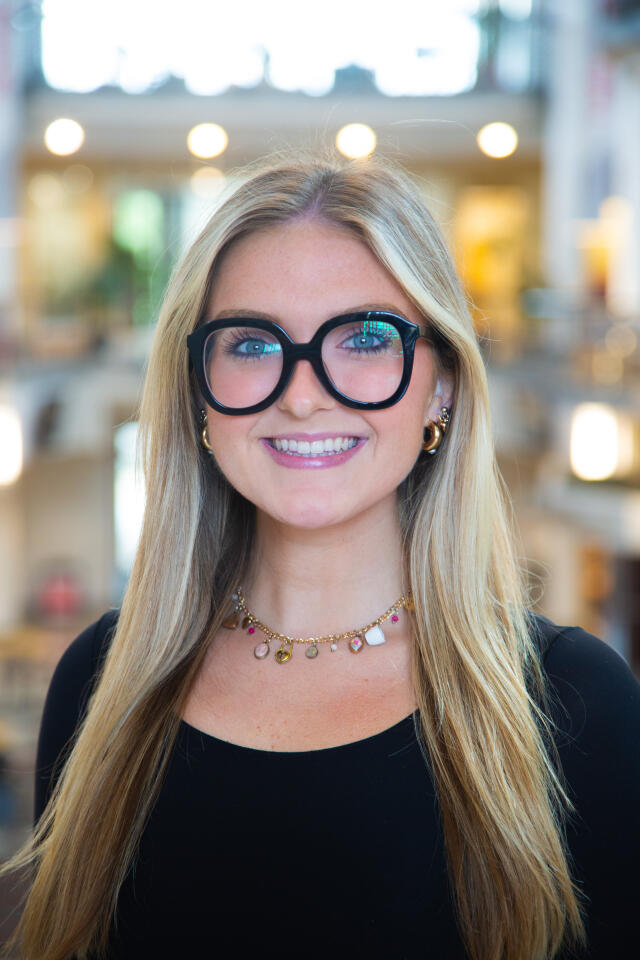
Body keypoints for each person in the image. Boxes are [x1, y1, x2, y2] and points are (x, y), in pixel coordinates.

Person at [2, 149, 640, 960]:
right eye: (253, 345)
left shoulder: (574, 703)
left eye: (367, 338)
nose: (304, 394)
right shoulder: (101, 683)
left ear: (440, 384)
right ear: (198, 389)